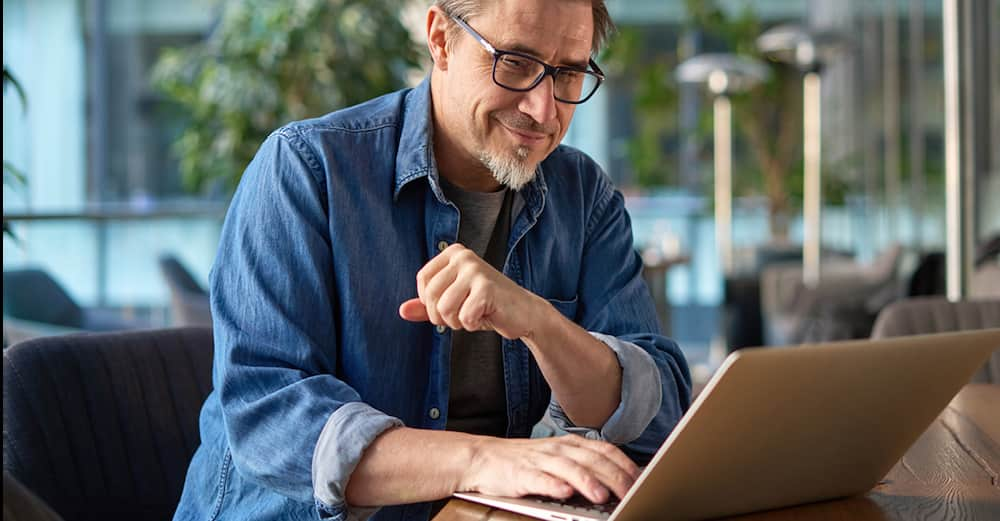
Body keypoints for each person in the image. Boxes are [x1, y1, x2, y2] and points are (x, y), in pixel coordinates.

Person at [173, 1, 691, 520]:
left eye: (569, 74)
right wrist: (484, 460)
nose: (543, 109)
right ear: (441, 39)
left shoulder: (583, 195)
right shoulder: (307, 169)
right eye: (514, 63)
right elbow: (270, 417)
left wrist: (540, 323)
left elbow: (660, 416)